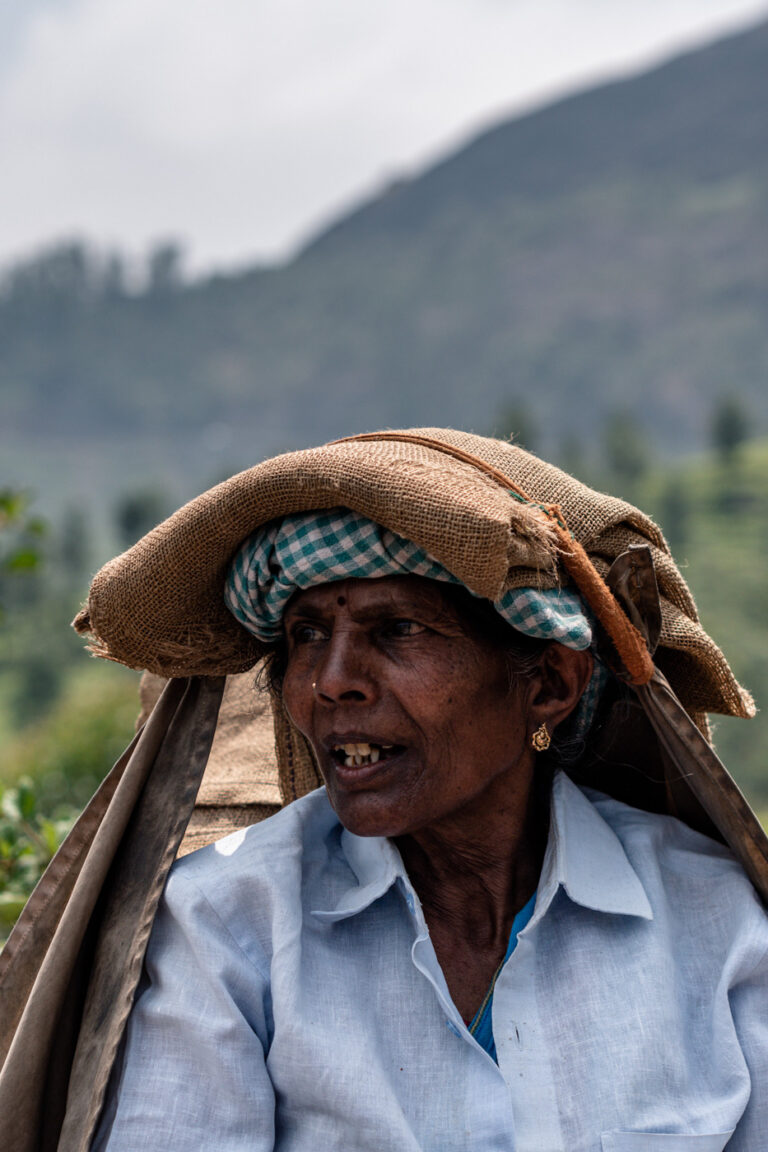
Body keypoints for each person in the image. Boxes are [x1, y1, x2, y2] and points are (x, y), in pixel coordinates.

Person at [3, 429, 767, 1151]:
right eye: (306, 635)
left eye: (398, 630)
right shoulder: (229, 928)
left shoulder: (713, 922)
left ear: (549, 685)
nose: (331, 682)